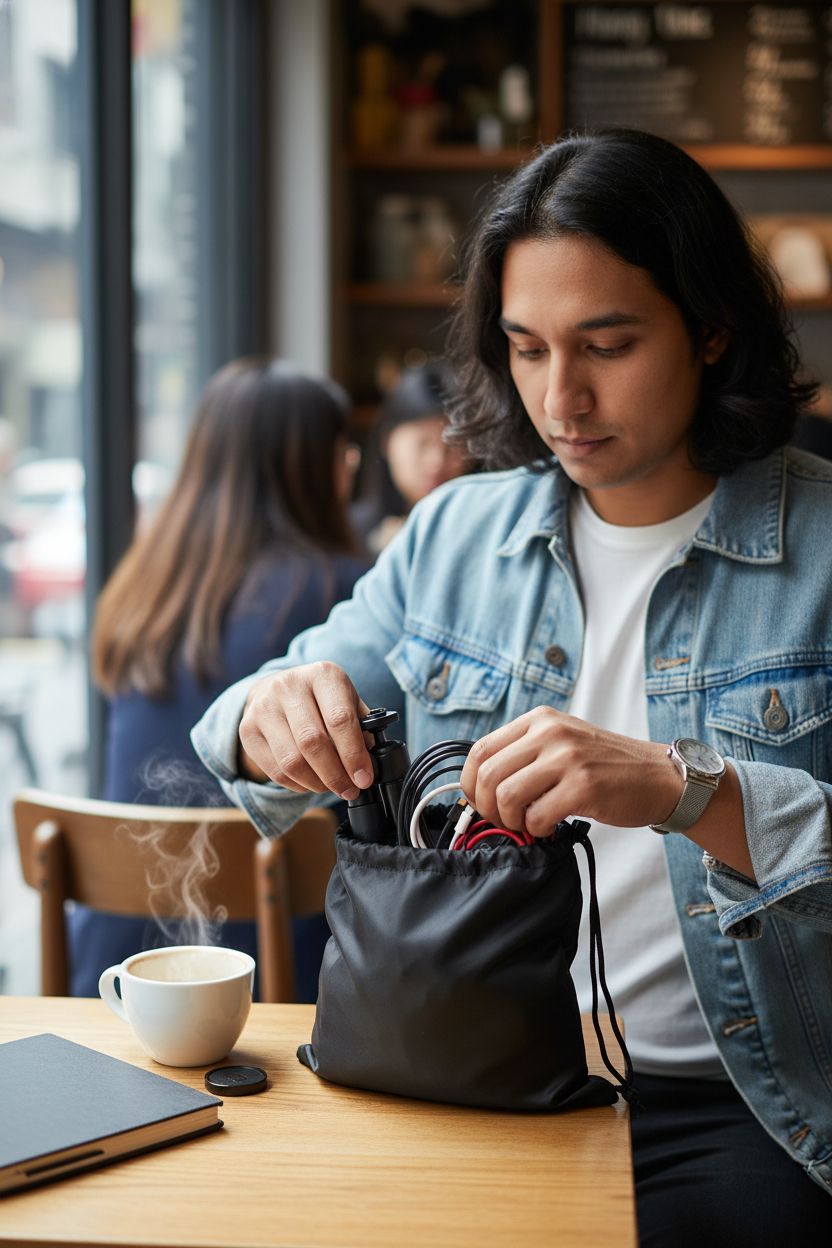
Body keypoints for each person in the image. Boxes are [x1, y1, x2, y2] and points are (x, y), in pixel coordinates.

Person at [192, 131, 832, 1241]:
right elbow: (246, 721)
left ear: (712, 329)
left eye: (607, 344)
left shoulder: (822, 547)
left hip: (752, 1105)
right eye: (525, 348)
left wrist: (685, 788)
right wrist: (266, 715)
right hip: (472, 1071)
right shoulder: (454, 533)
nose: (560, 397)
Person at [70, 357, 370, 999]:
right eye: (342, 449)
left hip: (115, 969)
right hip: (271, 975)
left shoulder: (139, 591)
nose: (350, 465)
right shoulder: (341, 592)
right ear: (312, 466)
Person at [351, 359, 468, 554]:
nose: (437, 461)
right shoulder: (351, 534)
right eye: (422, 444)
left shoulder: (483, 529)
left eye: (453, 445)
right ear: (387, 441)